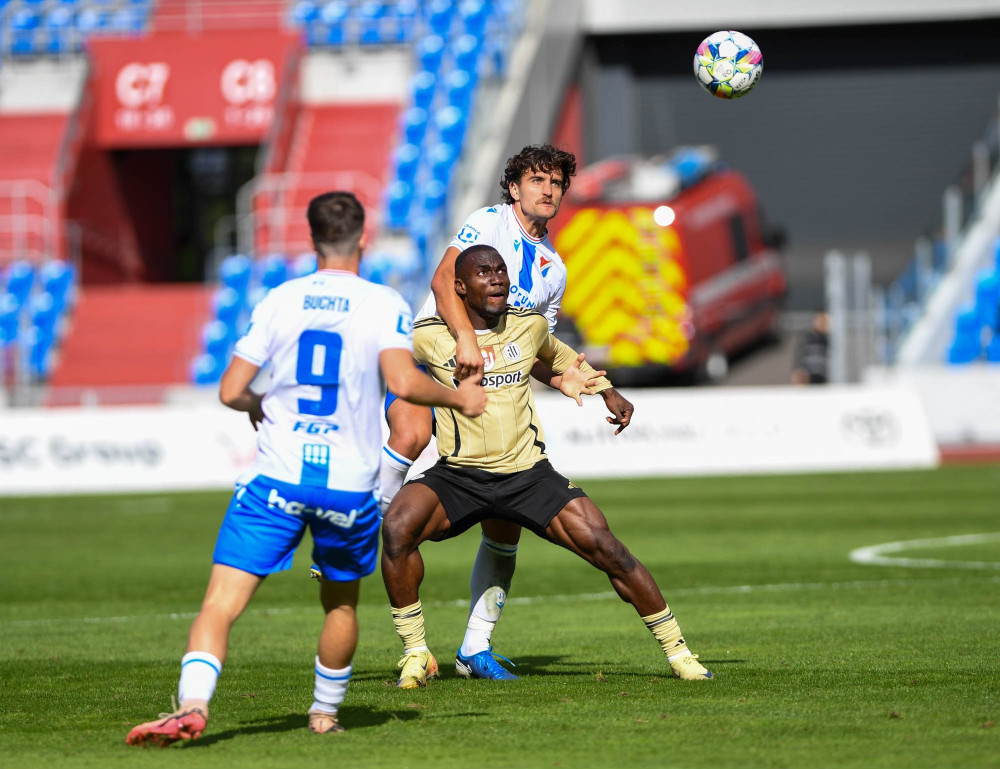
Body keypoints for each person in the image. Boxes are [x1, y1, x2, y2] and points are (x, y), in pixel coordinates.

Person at [125, 192, 486, 747]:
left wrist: (259, 405)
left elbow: (230, 391)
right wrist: (458, 400)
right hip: (347, 487)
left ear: (311, 239)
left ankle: (193, 707)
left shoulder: (279, 299)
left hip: (276, 479)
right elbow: (402, 383)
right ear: (363, 239)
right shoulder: (381, 301)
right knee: (339, 603)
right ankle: (323, 714)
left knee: (220, 604)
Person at [382, 244, 712, 690]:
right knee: (398, 528)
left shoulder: (529, 325)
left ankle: (680, 654)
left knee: (609, 549)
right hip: (459, 474)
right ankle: (416, 653)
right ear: (459, 287)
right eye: (484, 272)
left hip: (528, 475)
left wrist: (607, 390)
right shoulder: (429, 336)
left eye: (501, 270)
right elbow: (390, 368)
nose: (498, 278)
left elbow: (562, 358)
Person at [379, 144, 636, 681]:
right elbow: (440, 280)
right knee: (411, 430)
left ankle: (475, 648)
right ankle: (362, 527)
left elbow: (532, 348)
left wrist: (566, 377)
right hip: (437, 360)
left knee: (506, 525)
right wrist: (466, 340)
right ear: (514, 188)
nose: (548, 190)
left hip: (494, 389)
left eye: (556, 183)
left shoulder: (553, 270)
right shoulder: (488, 223)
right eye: (536, 180)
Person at [791, 312, 830, 385]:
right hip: (808, 380)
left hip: (824, 381)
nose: (822, 324)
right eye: (820, 320)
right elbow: (799, 360)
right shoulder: (807, 339)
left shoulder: (829, 341)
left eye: (825, 321)